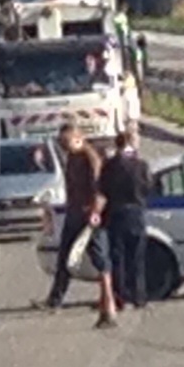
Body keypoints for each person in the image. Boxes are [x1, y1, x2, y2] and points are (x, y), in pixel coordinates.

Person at [40, 122, 113, 326]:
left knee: (99, 258)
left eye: (67, 141)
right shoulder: (71, 157)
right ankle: (54, 300)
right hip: (74, 212)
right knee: (65, 256)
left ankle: (109, 299)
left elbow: (99, 189)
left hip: (88, 215)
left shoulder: (91, 159)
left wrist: (95, 212)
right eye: (61, 142)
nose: (63, 146)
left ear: (78, 138)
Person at [98, 127, 152, 314]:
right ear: (132, 143)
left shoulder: (110, 165)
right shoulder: (141, 165)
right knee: (136, 257)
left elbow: (102, 188)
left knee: (117, 258)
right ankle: (139, 295)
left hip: (115, 213)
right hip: (135, 213)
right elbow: (148, 188)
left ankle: (120, 296)